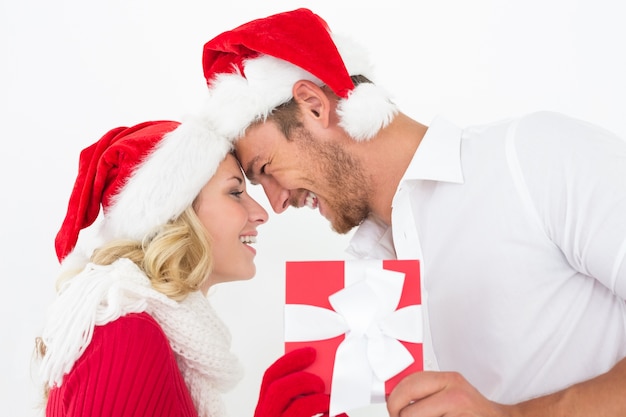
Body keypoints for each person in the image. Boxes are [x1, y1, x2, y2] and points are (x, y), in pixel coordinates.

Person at [196, 8, 626, 417]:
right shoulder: (363, 275)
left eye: (266, 169)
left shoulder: (532, 155)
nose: (276, 203)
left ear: (313, 104)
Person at [36, 117, 341, 417]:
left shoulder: (151, 335)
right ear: (174, 213)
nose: (261, 213)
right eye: (235, 192)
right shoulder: (127, 333)